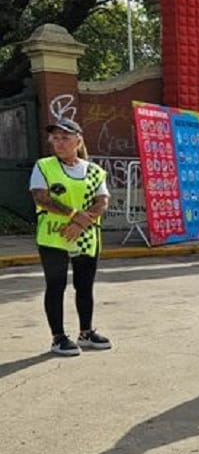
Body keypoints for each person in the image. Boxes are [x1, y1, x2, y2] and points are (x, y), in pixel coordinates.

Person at [29, 117, 113, 357]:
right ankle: (58, 337)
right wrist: (76, 216)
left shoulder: (95, 171)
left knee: (84, 286)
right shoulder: (44, 166)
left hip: (86, 236)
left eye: (65, 137)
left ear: (78, 140)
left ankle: (86, 332)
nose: (59, 143)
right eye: (55, 138)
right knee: (55, 286)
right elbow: (41, 198)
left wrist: (82, 222)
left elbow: (102, 200)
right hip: (54, 236)